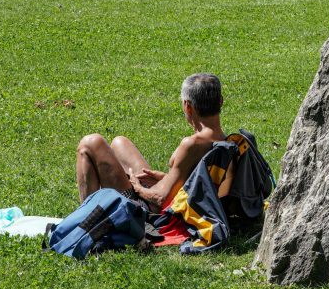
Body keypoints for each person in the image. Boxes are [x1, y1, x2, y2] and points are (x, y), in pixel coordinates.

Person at [75, 73, 227, 212]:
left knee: (90, 144)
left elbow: (160, 199)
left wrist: (137, 187)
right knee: (119, 143)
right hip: (167, 195)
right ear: (220, 101)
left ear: (187, 106)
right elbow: (197, 184)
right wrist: (164, 178)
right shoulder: (226, 141)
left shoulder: (192, 144)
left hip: (149, 212)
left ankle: (86, 220)